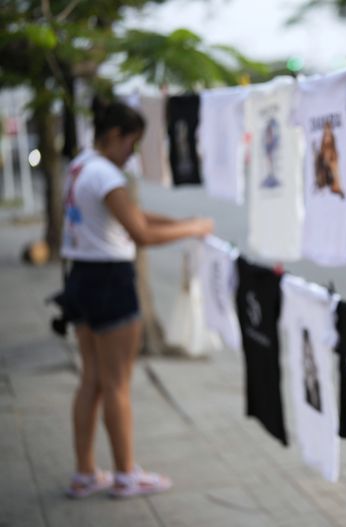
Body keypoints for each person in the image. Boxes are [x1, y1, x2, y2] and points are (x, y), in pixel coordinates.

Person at [60, 101, 214, 499]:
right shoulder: (106, 175)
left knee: (91, 378)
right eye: (132, 143)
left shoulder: (80, 167)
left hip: (79, 276)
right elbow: (140, 233)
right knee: (116, 383)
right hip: (109, 279)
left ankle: (85, 473)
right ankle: (126, 474)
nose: (132, 153)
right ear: (114, 136)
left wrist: (185, 222)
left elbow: (133, 214)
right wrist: (191, 229)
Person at [314, 121, 344, 198]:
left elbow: (336, 171)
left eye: (329, 135)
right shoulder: (320, 155)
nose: (327, 138)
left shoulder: (333, 153)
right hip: (322, 186)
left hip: (333, 185)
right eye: (325, 135)